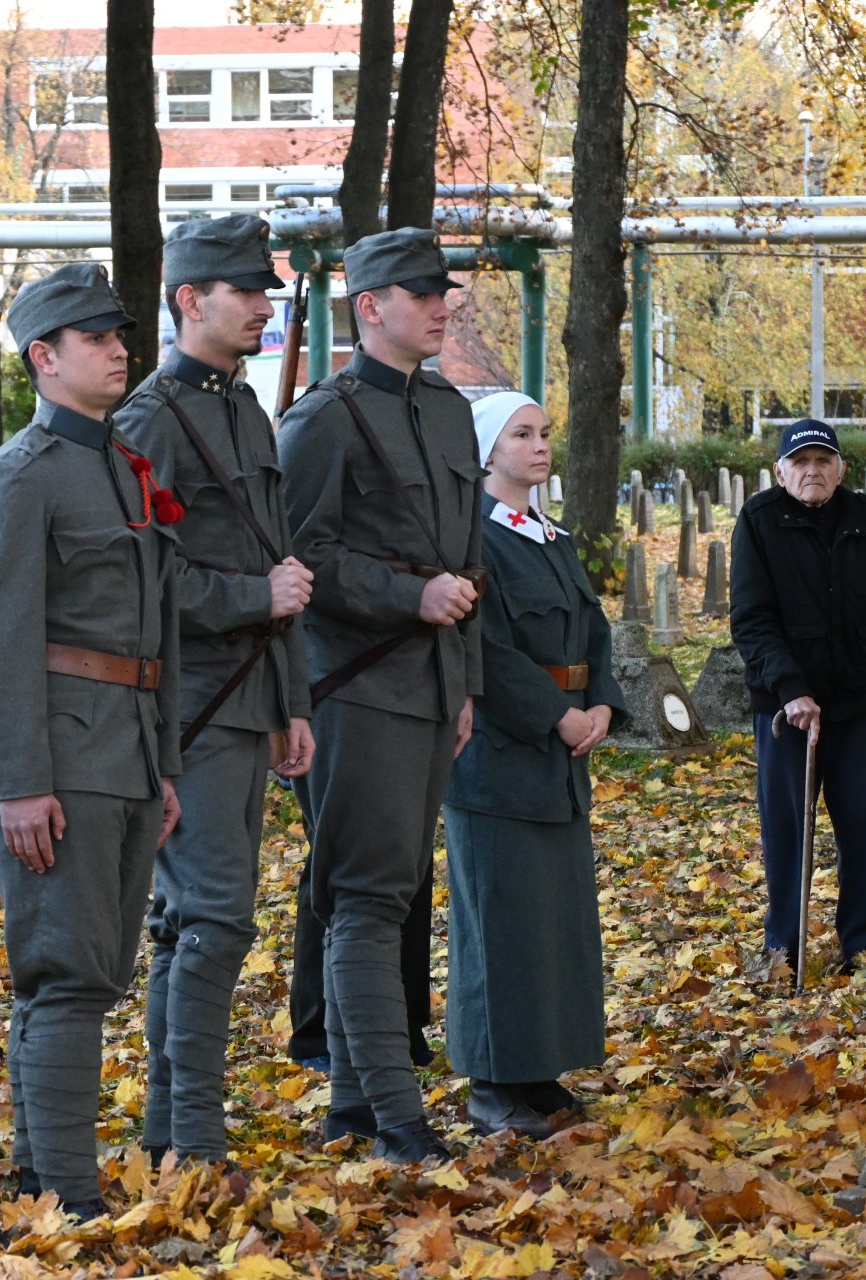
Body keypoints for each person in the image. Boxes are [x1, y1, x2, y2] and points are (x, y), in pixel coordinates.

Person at [0, 262, 183, 1219]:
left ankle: (39, 1167)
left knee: (82, 971)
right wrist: (17, 783)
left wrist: (163, 766)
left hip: (123, 752)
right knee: (68, 975)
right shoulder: (15, 480)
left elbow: (151, 635)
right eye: (95, 338)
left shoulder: (120, 467)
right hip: (57, 758)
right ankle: (72, 1194)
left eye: (120, 334)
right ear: (44, 359)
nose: (119, 349)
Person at [276, 227, 485, 1165]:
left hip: (432, 688)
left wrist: (466, 683)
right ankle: (398, 1119)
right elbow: (303, 558)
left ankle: (355, 1110)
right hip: (354, 690)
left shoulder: (444, 407)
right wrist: (410, 596)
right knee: (365, 898)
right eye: (423, 292)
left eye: (445, 291)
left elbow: (466, 556)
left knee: (393, 896)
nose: (445, 305)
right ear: (370, 307)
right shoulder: (323, 417)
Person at [112, 215, 312, 1167]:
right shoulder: (152, 417)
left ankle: (172, 1130)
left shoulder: (246, 409)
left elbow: (279, 562)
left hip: (248, 702)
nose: (265, 306)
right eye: (247, 291)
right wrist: (251, 600)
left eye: (266, 290)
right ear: (190, 300)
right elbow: (146, 582)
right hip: (188, 706)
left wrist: (293, 702)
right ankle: (192, 1135)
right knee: (218, 914)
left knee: (190, 919)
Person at [442, 392, 628, 1137]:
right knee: (500, 924)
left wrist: (605, 704)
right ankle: (493, 1084)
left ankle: (538, 1070)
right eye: (522, 435)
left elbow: (596, 631)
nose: (540, 446)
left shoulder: (552, 537)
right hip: (502, 757)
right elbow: (485, 650)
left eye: (546, 432)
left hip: (561, 760)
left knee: (551, 927)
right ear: (488, 452)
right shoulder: (475, 542)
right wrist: (557, 715)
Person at [731, 419, 866, 976]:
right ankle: (786, 950)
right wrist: (791, 689)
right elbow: (751, 620)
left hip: (855, 706)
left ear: (841, 468)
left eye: (823, 460)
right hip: (787, 712)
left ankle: (865, 948)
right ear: (780, 471)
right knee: (786, 829)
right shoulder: (759, 520)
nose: (812, 470)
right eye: (800, 462)